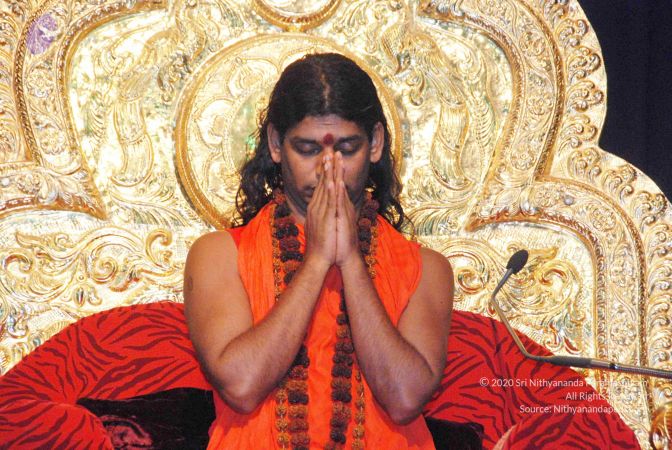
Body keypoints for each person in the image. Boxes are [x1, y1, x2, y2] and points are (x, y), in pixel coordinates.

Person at [184, 53, 454, 450]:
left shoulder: (425, 268)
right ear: (276, 145)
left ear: (375, 143)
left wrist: (350, 260)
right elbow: (241, 385)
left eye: (347, 148)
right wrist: (316, 261)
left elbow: (405, 399)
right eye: (308, 149)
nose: (329, 168)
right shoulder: (219, 255)